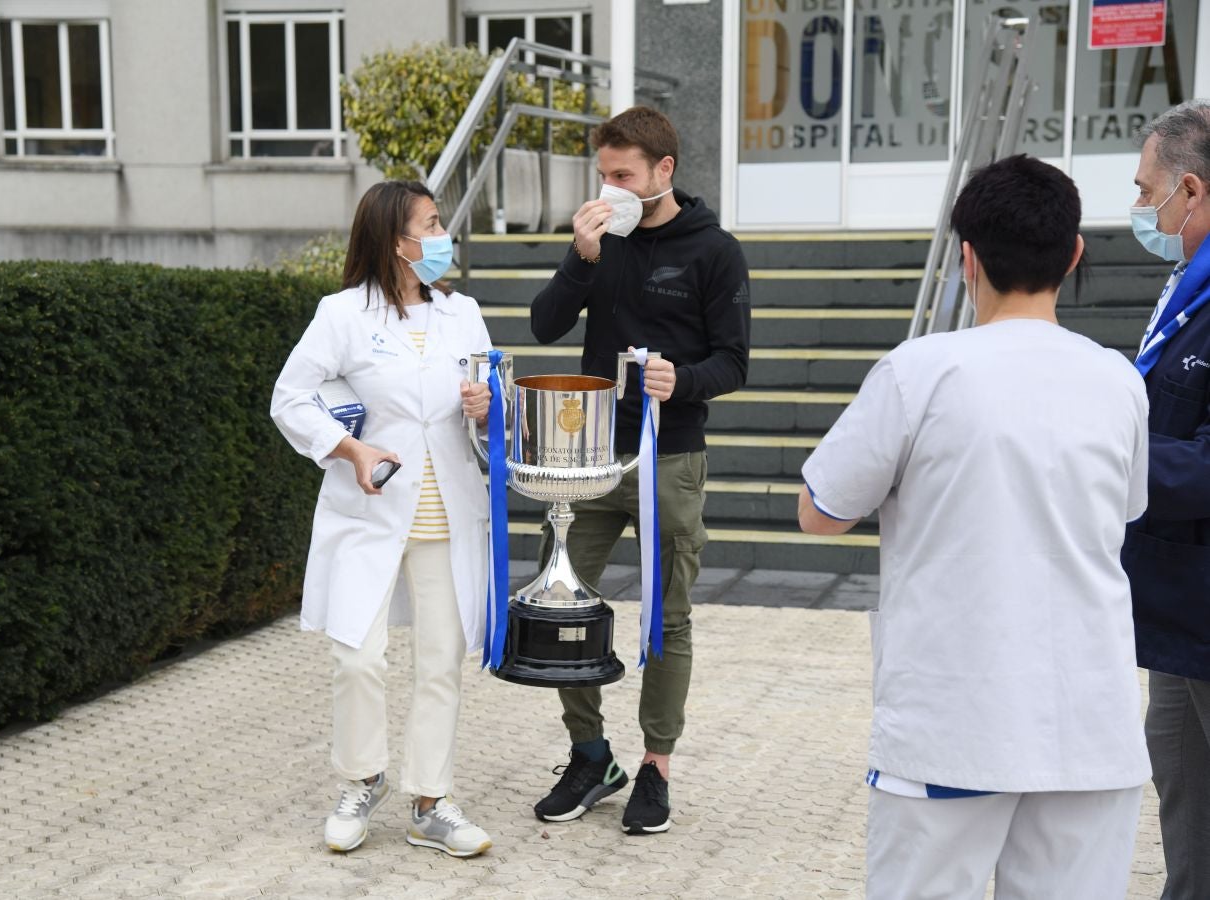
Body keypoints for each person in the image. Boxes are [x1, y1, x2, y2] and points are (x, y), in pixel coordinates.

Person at [798, 155, 1151, 899]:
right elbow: (1124, 511)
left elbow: (821, 512)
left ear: (967, 256)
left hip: (955, 723)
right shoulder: (1120, 380)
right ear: (1076, 254)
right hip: (1091, 726)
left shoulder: (920, 371)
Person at [528, 106, 750, 835]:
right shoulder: (604, 243)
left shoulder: (715, 251)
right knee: (562, 605)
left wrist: (679, 382)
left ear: (664, 171)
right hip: (588, 457)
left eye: (622, 177)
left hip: (670, 455)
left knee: (667, 618)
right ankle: (592, 755)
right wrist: (580, 256)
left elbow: (734, 362)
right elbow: (544, 324)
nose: (610, 190)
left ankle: (655, 767)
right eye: (603, 176)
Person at [271, 180, 495, 858]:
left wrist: (488, 406)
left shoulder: (463, 314)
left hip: (446, 514)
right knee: (358, 656)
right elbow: (290, 399)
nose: (442, 235)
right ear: (397, 242)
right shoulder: (342, 315)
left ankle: (431, 802)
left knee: (439, 663)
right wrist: (349, 447)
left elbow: (489, 410)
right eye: (431, 224)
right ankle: (361, 780)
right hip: (368, 510)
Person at [1124, 100, 1210, 900]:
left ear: (1193, 188)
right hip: (1178, 612)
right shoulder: (1187, 281)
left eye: (1148, 192)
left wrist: (1110, 457)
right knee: (1180, 775)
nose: (1141, 209)